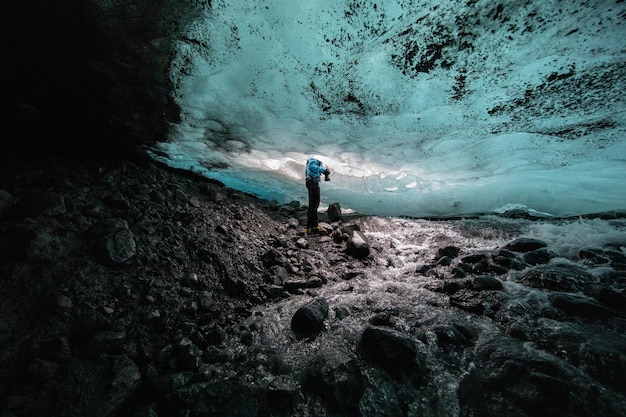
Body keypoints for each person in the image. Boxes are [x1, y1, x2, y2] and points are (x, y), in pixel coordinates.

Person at [305, 157, 331, 234]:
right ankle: (314, 227)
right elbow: (312, 166)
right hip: (313, 182)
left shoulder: (311, 159)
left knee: (312, 205)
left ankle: (309, 227)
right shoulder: (314, 158)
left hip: (311, 181)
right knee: (314, 204)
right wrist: (324, 170)